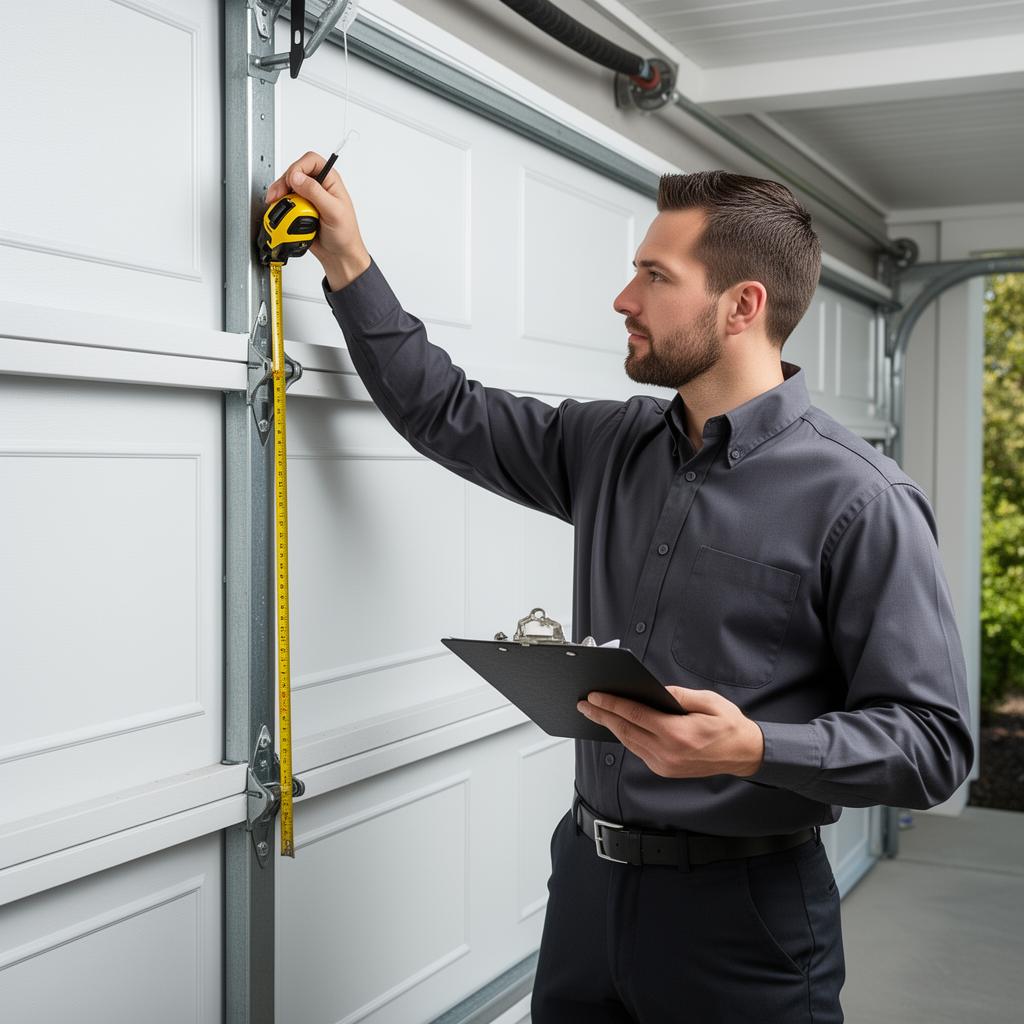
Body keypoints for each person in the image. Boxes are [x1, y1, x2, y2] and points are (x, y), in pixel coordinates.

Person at [266, 153, 974, 1024]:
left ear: (742, 306)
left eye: (654, 275)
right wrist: (347, 258)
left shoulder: (862, 500)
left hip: (744, 920)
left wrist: (752, 747)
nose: (623, 299)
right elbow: (443, 410)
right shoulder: (609, 446)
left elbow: (933, 744)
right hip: (586, 890)